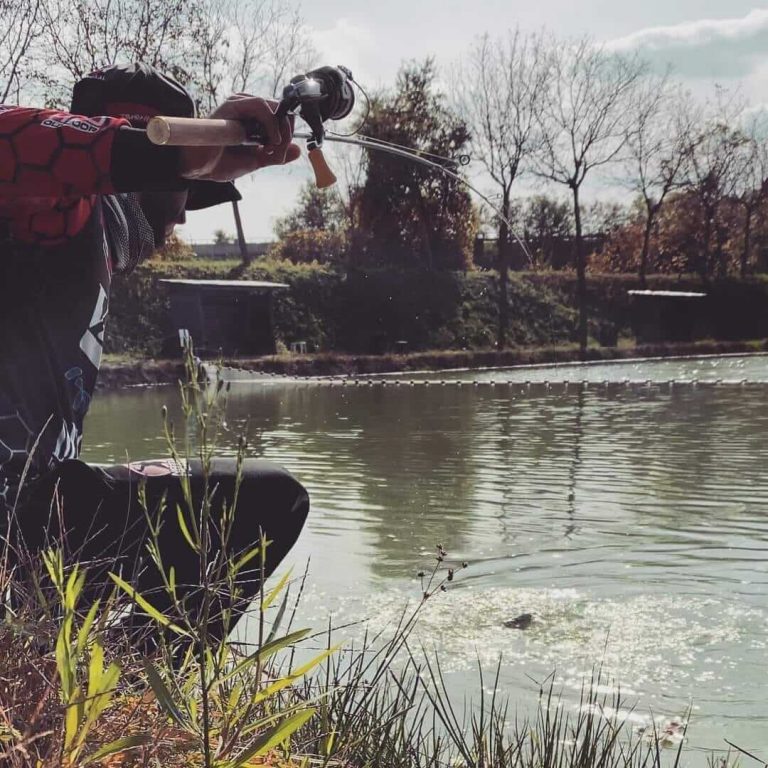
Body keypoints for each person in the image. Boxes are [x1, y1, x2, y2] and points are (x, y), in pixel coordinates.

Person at [0, 63, 309, 647]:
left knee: (266, 501)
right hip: (17, 524)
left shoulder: (112, 231)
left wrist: (229, 149)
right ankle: (134, 683)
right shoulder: (54, 204)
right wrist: (180, 150)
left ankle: (118, 684)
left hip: (45, 516)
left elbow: (144, 193)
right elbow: (41, 152)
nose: (186, 212)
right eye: (183, 189)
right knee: (269, 501)